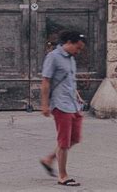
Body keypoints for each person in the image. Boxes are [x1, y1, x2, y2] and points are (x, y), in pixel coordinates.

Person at [39, 31, 87, 187]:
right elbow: (46, 81)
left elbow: (69, 80)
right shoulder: (53, 57)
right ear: (68, 42)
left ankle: (49, 159)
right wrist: (45, 105)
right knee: (64, 142)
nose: (78, 52)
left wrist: (77, 95)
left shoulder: (71, 58)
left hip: (73, 104)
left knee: (74, 138)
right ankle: (63, 176)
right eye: (77, 48)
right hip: (61, 105)